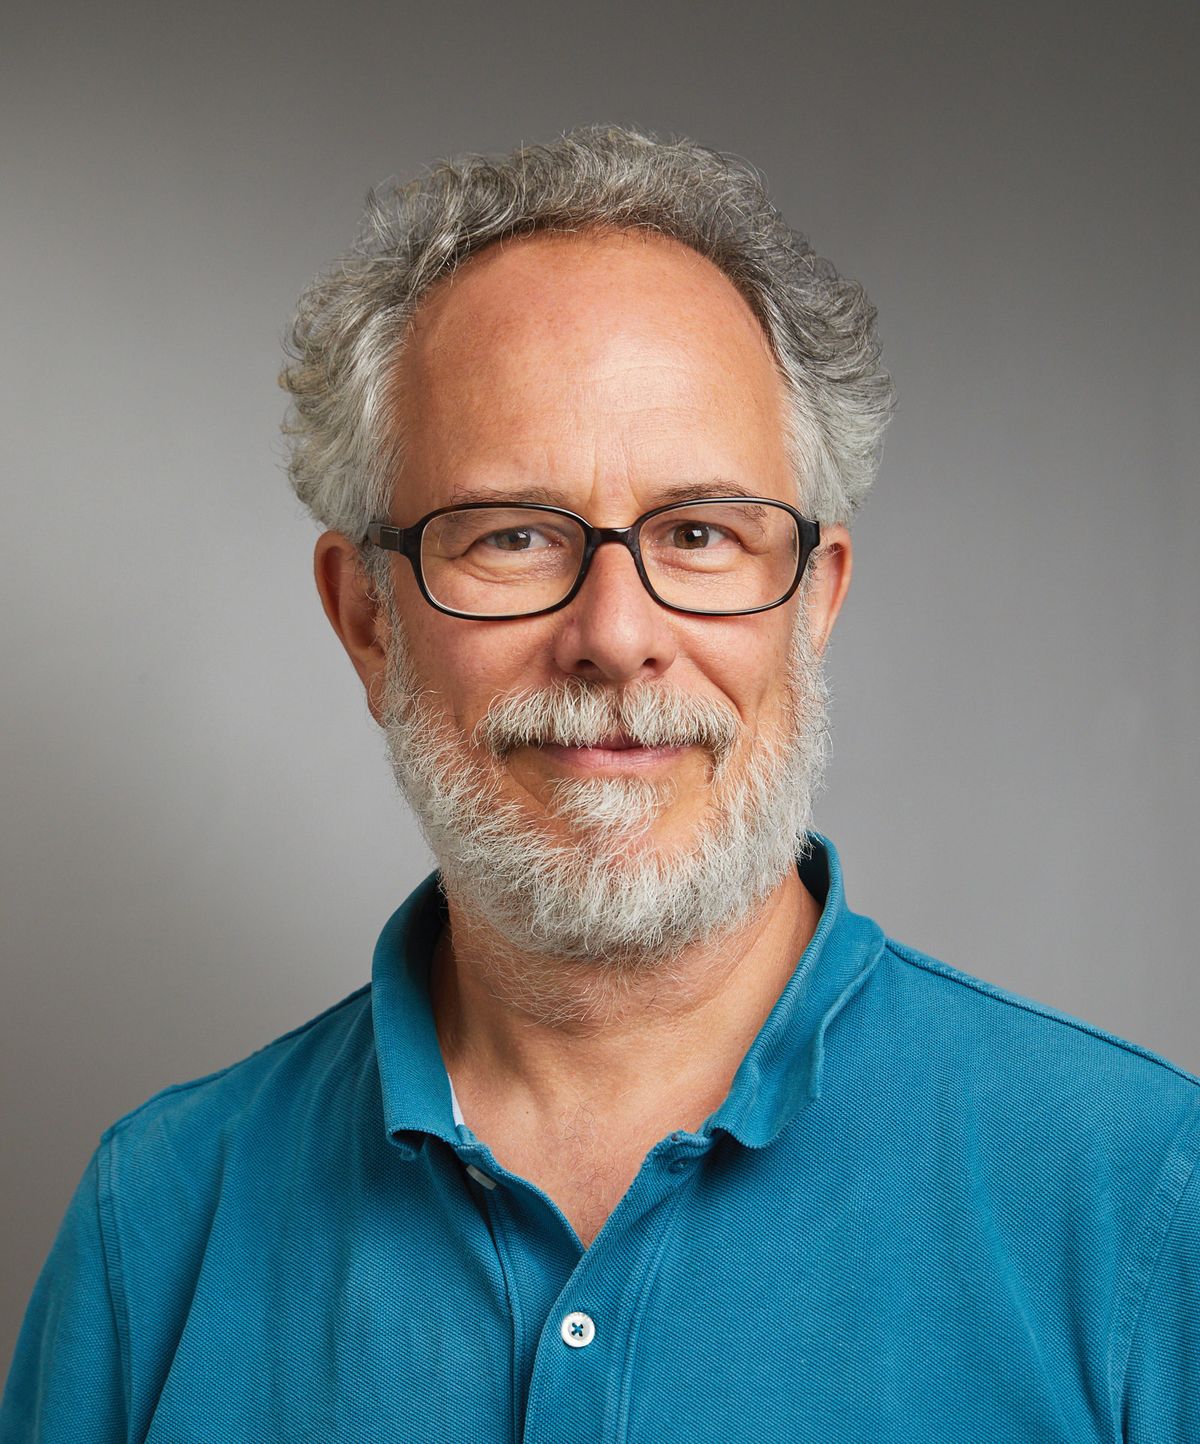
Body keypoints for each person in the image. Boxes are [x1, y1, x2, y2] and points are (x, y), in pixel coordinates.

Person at [3, 126, 1197, 1443]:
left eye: (700, 533)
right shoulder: (158, 1228)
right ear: (367, 621)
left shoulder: (1145, 1200)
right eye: (512, 535)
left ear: (814, 604)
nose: (616, 634)